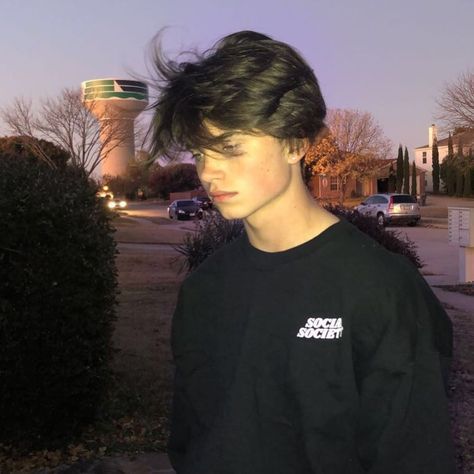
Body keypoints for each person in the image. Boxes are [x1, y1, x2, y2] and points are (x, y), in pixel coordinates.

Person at [149, 31, 455, 474]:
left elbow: (413, 455)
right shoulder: (202, 291)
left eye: (230, 147)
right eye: (200, 151)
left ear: (295, 143)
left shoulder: (381, 289)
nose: (209, 170)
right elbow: (192, 440)